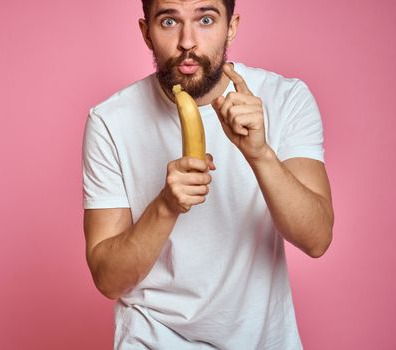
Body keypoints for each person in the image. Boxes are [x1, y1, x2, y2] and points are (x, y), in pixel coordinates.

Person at [82, 0, 334, 348]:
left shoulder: (285, 98)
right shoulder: (110, 121)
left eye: (205, 19)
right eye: (169, 21)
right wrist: (166, 206)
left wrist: (260, 155)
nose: (188, 41)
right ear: (146, 33)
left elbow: (317, 238)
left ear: (231, 26)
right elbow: (108, 279)